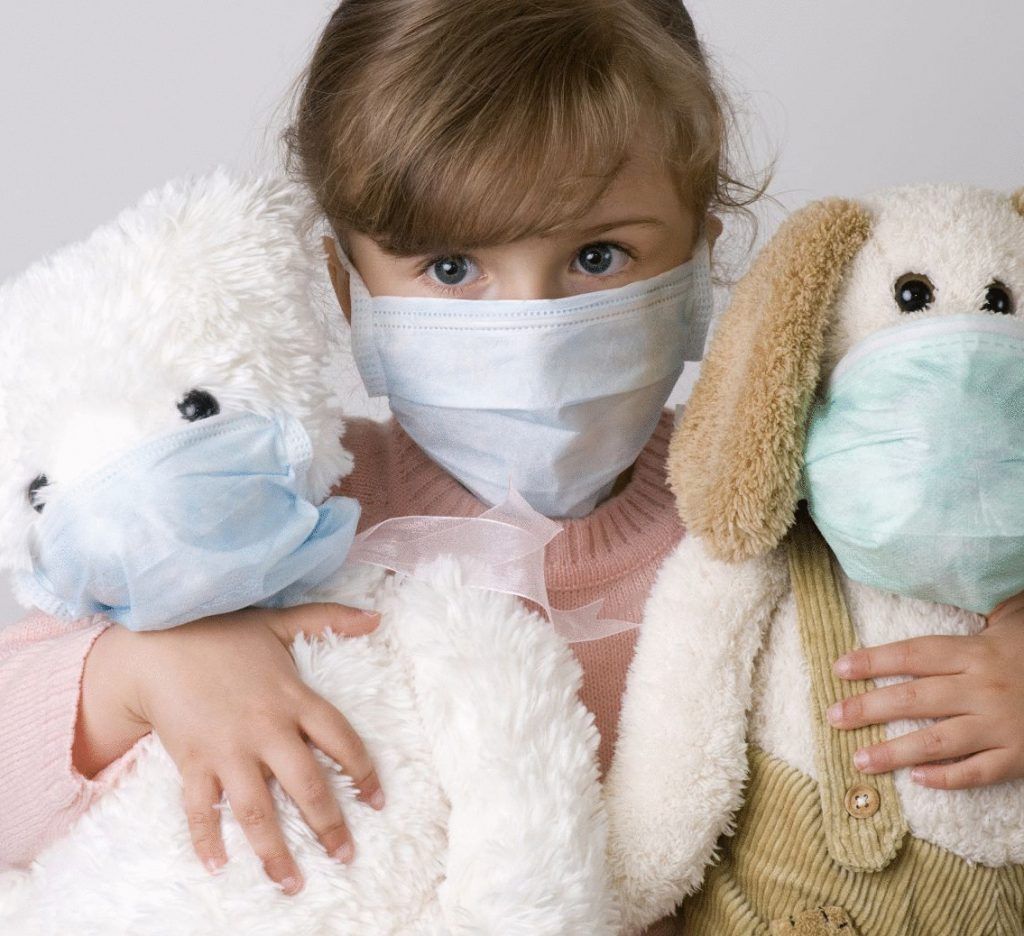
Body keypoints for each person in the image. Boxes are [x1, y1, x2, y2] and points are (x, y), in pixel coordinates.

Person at [2, 2, 1023, 932]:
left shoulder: (796, 512)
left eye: (599, 257)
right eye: (451, 268)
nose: (531, 322)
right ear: (347, 286)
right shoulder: (266, 522)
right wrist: (144, 676)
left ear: (701, 264)